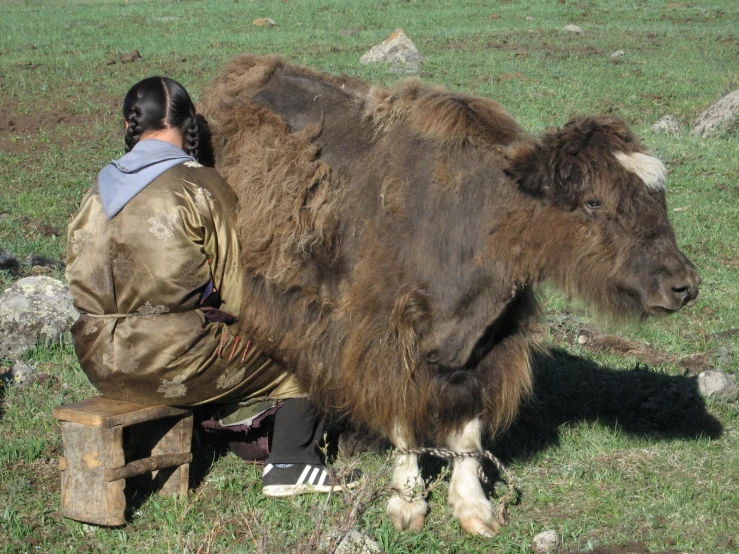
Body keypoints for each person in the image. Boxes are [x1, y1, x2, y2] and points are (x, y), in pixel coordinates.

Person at [65, 76, 357, 497]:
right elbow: (239, 293)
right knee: (308, 349)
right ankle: (291, 463)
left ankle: (230, 427)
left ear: (131, 125)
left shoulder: (98, 187)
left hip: (97, 360)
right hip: (170, 362)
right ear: (188, 126)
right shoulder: (199, 186)